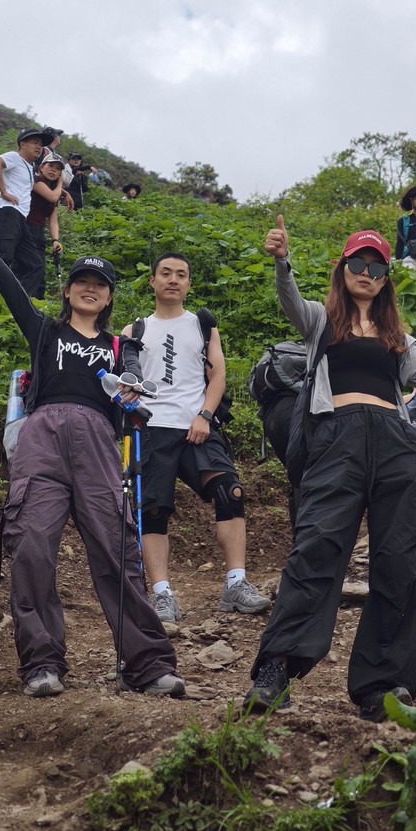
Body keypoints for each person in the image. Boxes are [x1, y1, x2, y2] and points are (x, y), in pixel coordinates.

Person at [244, 219, 416, 722]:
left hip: (395, 442)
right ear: (342, 269)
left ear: (385, 279)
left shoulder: (400, 337)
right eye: (358, 263)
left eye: (376, 267)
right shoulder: (320, 321)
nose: (367, 272)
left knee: (396, 561)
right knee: (317, 547)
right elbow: (288, 299)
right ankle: (277, 668)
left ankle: (384, 684)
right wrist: (281, 262)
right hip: (337, 438)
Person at [0, 202, 183, 699]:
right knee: (31, 548)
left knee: (117, 552)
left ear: (109, 296)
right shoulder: (45, 331)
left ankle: (147, 665)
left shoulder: (120, 346)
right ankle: (42, 663)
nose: (90, 288)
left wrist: (131, 385)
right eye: (81, 281)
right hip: (42, 441)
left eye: (100, 283)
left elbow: (136, 376)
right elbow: (7, 279)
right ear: (68, 290)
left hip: (97, 444)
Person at [123, 253, 270, 623]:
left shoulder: (203, 325)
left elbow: (218, 374)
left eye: (181, 274)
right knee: (152, 510)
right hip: (150, 429)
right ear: (153, 282)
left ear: (189, 284)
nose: (173, 279)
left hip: (197, 425)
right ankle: (162, 594)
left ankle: (236, 583)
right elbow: (124, 383)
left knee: (229, 491)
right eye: (166, 273)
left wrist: (205, 415)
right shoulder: (134, 330)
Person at [0, 129, 47, 297]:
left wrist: (63, 192)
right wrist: (3, 191)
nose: (39, 147)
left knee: (34, 264)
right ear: (22, 144)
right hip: (7, 211)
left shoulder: (30, 167)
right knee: (3, 255)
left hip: (20, 217)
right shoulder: (15, 157)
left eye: (41, 144)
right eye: (35, 142)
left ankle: (20, 302)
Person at [26, 152, 66, 299]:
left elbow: (53, 219)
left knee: (40, 270)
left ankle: (36, 304)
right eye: (50, 166)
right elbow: (53, 196)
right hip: (24, 228)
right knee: (31, 267)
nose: (53, 170)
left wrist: (55, 240)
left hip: (37, 232)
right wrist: (61, 185)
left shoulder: (53, 191)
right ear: (41, 167)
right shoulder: (34, 180)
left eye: (58, 169)